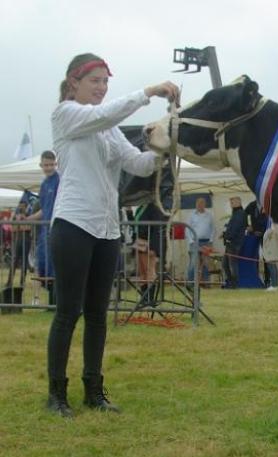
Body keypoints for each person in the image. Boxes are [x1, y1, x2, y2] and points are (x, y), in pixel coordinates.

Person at [45, 52, 179, 417]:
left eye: (105, 82)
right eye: (95, 81)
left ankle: (94, 390)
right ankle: (56, 394)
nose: (102, 88)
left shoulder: (107, 128)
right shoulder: (67, 115)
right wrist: (149, 91)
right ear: (74, 82)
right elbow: (106, 113)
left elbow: (136, 162)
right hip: (73, 224)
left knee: (98, 313)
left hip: (107, 229)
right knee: (68, 312)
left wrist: (166, 148)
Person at [27, 151, 60, 305]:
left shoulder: (60, 180)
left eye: (51, 164)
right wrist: (28, 219)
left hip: (57, 228)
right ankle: (40, 299)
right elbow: (43, 209)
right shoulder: (44, 184)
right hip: (44, 231)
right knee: (41, 264)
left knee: (56, 264)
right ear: (41, 165)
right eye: (45, 165)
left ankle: (56, 301)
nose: (48, 168)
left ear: (56, 164)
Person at [245, 200, 278, 291]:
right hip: (267, 240)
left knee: (271, 262)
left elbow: (266, 227)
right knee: (270, 262)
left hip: (270, 241)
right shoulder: (266, 216)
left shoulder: (270, 217)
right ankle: (274, 284)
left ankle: (275, 285)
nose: (262, 209)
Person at [185, 197, 215, 289]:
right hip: (194, 242)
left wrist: (211, 240)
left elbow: (213, 229)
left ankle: (206, 284)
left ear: (204, 205)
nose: (200, 205)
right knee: (193, 264)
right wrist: (191, 241)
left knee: (206, 264)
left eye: (202, 203)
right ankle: (190, 283)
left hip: (206, 242)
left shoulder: (209, 215)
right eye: (198, 203)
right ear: (196, 204)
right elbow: (187, 229)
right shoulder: (191, 215)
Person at [222, 196, 247, 289]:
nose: (231, 205)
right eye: (230, 203)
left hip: (234, 243)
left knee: (232, 264)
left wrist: (227, 236)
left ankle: (234, 284)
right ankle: (231, 282)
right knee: (225, 264)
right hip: (230, 242)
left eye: (232, 203)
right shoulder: (236, 213)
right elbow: (231, 227)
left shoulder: (240, 214)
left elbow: (235, 228)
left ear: (238, 203)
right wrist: (225, 234)